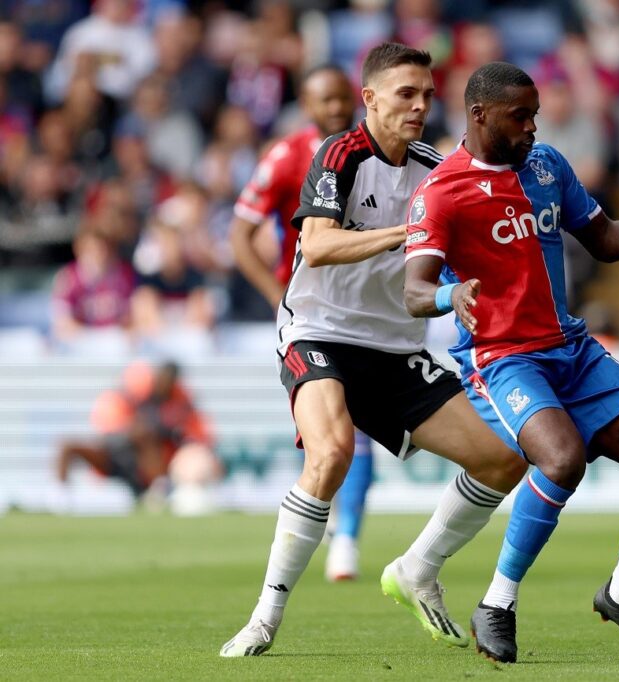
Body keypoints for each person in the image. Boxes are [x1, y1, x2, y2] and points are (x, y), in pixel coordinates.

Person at [403, 61, 619, 663]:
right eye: (518, 117)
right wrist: (452, 294)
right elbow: (413, 289)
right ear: (478, 115)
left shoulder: (547, 165)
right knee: (561, 458)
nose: (530, 127)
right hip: (502, 361)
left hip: (571, 351)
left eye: (535, 116)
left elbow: (604, 239)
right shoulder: (441, 193)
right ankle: (497, 602)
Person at [219, 43, 527, 658]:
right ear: (371, 99)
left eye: (428, 95)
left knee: (503, 461)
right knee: (331, 455)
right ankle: (264, 617)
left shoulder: (436, 169)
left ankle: (417, 568)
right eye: (405, 94)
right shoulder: (338, 155)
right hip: (318, 331)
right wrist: (408, 231)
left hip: (392, 347)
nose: (419, 106)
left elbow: (466, 246)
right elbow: (321, 244)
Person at [230, 65, 370, 582]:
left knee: (358, 429)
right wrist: (274, 294)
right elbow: (240, 233)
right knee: (322, 431)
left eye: (342, 99)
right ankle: (329, 525)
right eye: (325, 101)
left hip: (370, 307)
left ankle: (347, 537)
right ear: (306, 106)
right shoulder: (287, 156)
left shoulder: (377, 150)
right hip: (310, 312)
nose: (336, 109)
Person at [55, 360, 217, 503]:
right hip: (116, 454)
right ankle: (61, 496)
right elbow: (110, 428)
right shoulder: (131, 395)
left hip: (147, 464)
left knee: (146, 435)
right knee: (68, 445)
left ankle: (159, 488)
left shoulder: (179, 403)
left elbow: (195, 433)